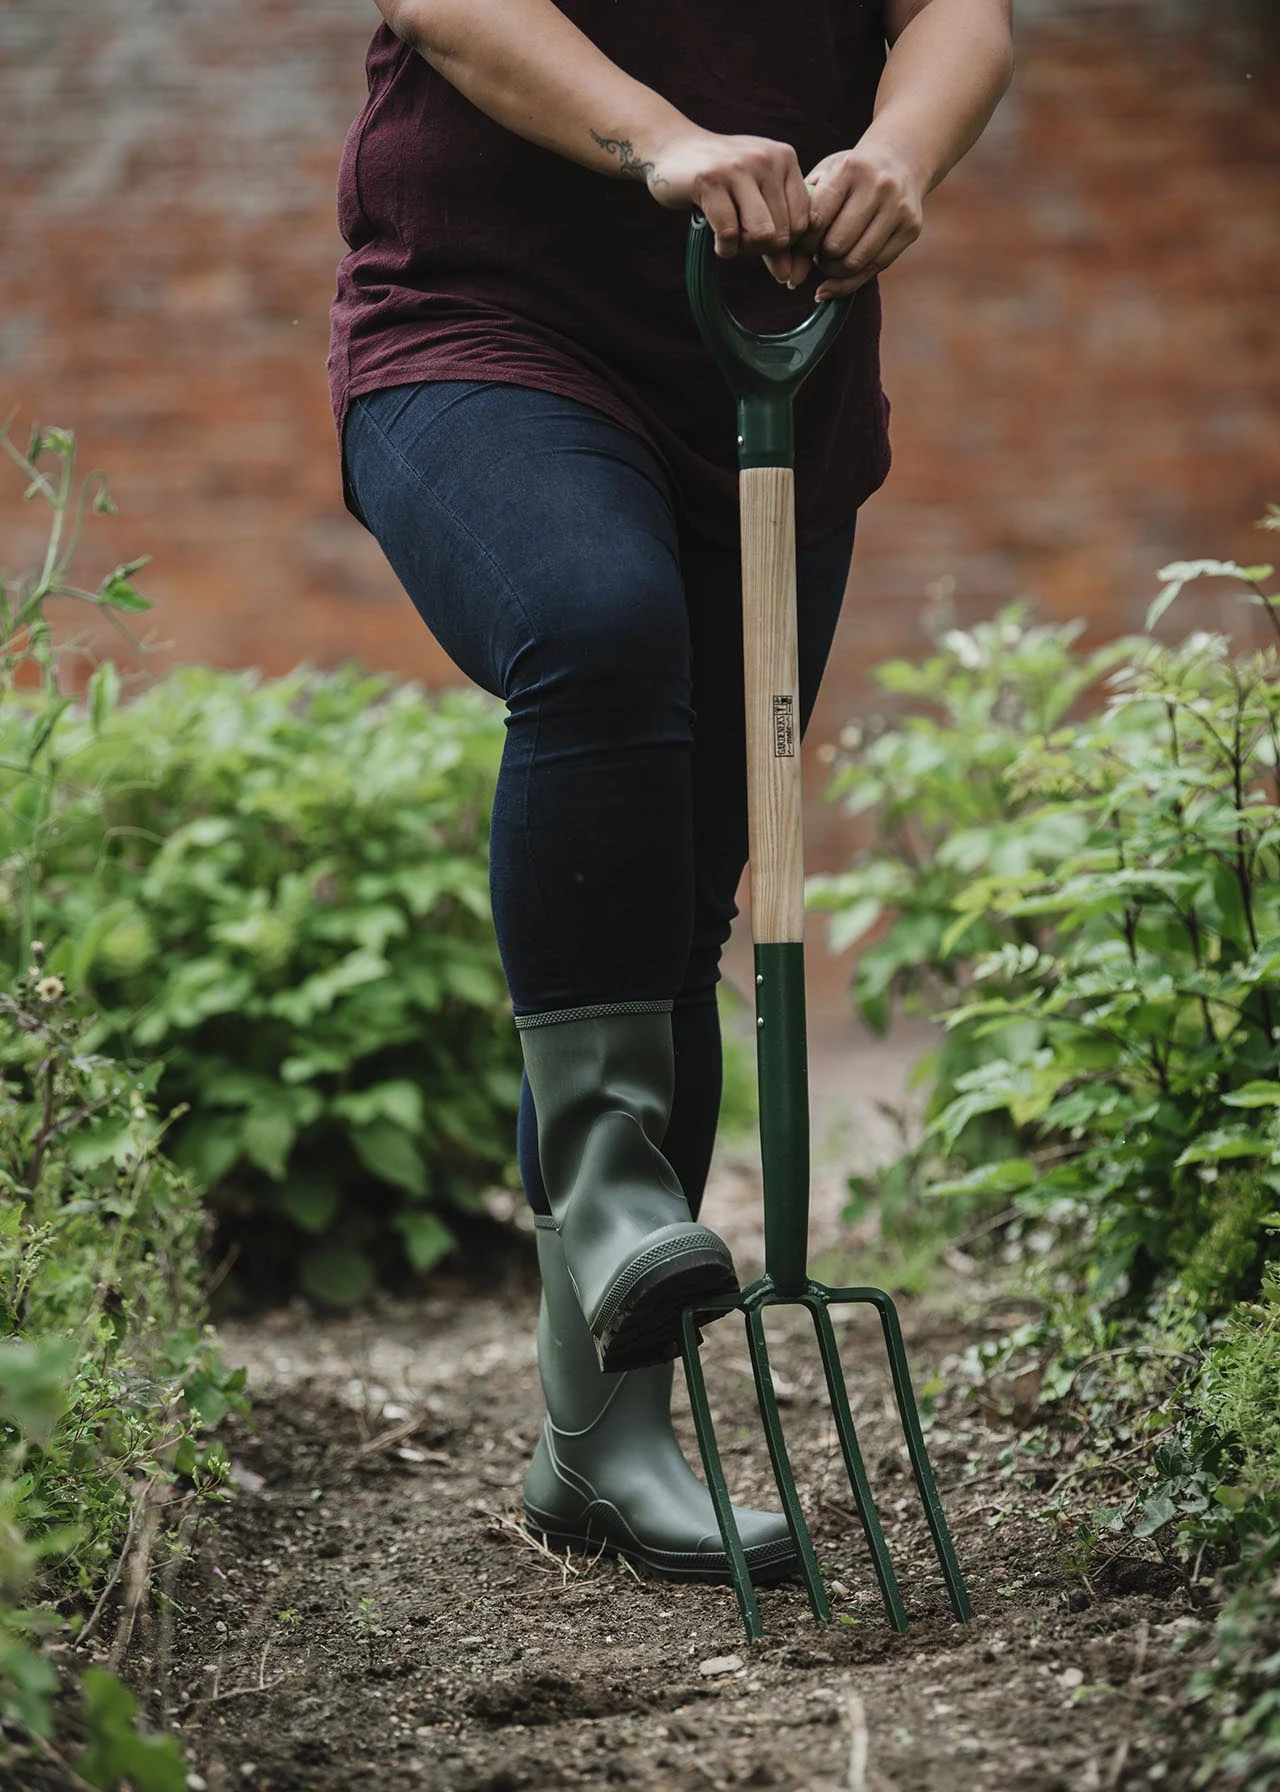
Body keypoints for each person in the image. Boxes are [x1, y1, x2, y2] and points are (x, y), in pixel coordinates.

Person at [329, 0, 1013, 1583]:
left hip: (769, 363)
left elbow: (956, 15)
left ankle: (603, 1444)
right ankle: (610, 1186)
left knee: (681, 887)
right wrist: (668, 140)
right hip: (486, 322)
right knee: (597, 627)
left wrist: (899, 155)